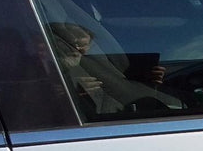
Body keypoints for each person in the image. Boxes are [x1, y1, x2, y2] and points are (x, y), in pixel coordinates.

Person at [48, 22, 180, 118]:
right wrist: (67, 90)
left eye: (85, 45)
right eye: (74, 43)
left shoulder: (91, 65)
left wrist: (149, 82)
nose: (79, 50)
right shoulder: (45, 68)